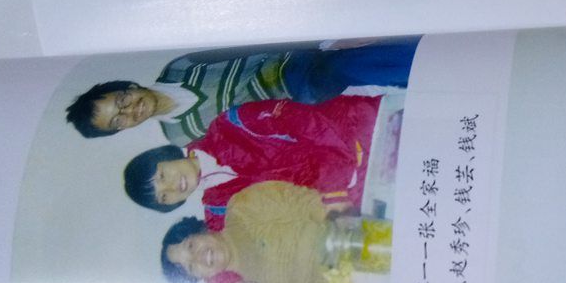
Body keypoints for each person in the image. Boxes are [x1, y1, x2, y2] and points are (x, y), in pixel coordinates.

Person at [65, 38, 418, 144]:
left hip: (290, 65)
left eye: (121, 101)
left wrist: (318, 41)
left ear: (127, 86)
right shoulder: (180, 135)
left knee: (338, 68)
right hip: (293, 111)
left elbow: (247, 46)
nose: (130, 111)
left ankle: (416, 61)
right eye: (119, 120)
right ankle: (416, 66)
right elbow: (246, 138)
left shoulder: (180, 66)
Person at [123, 93, 381, 228]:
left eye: (162, 177)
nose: (172, 187)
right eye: (164, 196)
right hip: (350, 202)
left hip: (356, 136)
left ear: (165, 156)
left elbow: (303, 121)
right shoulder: (219, 212)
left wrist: (339, 182)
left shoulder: (229, 126)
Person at [160, 181, 345, 283]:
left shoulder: (241, 208)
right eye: (191, 267)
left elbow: (309, 203)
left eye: (191, 246)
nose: (198, 257)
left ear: (201, 230)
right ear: (201, 278)